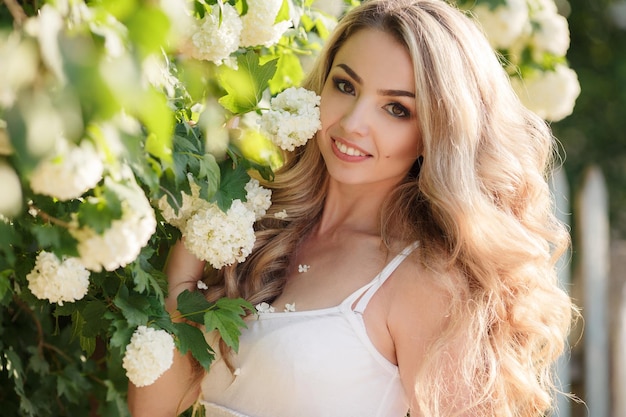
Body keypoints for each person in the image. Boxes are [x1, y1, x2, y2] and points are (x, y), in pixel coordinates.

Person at [128, 0, 575, 416]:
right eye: (345, 86)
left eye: (396, 109)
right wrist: (184, 272)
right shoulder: (256, 230)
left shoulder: (426, 281)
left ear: (439, 132)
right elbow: (155, 408)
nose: (353, 123)